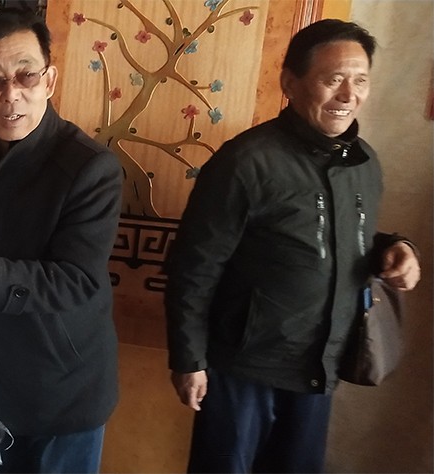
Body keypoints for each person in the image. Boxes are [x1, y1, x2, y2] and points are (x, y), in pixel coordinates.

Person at [165, 19, 422, 473]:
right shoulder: (246, 161)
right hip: (243, 366)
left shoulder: (363, 162)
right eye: (333, 79)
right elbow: (193, 266)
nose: (348, 94)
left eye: (360, 80)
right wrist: (189, 360)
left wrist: (395, 248)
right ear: (290, 83)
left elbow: (341, 237)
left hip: (320, 366)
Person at [0, 8, 123, 473]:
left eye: (26, 76)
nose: (12, 96)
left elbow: (75, 279)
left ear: (49, 81)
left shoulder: (90, 168)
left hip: (61, 384)